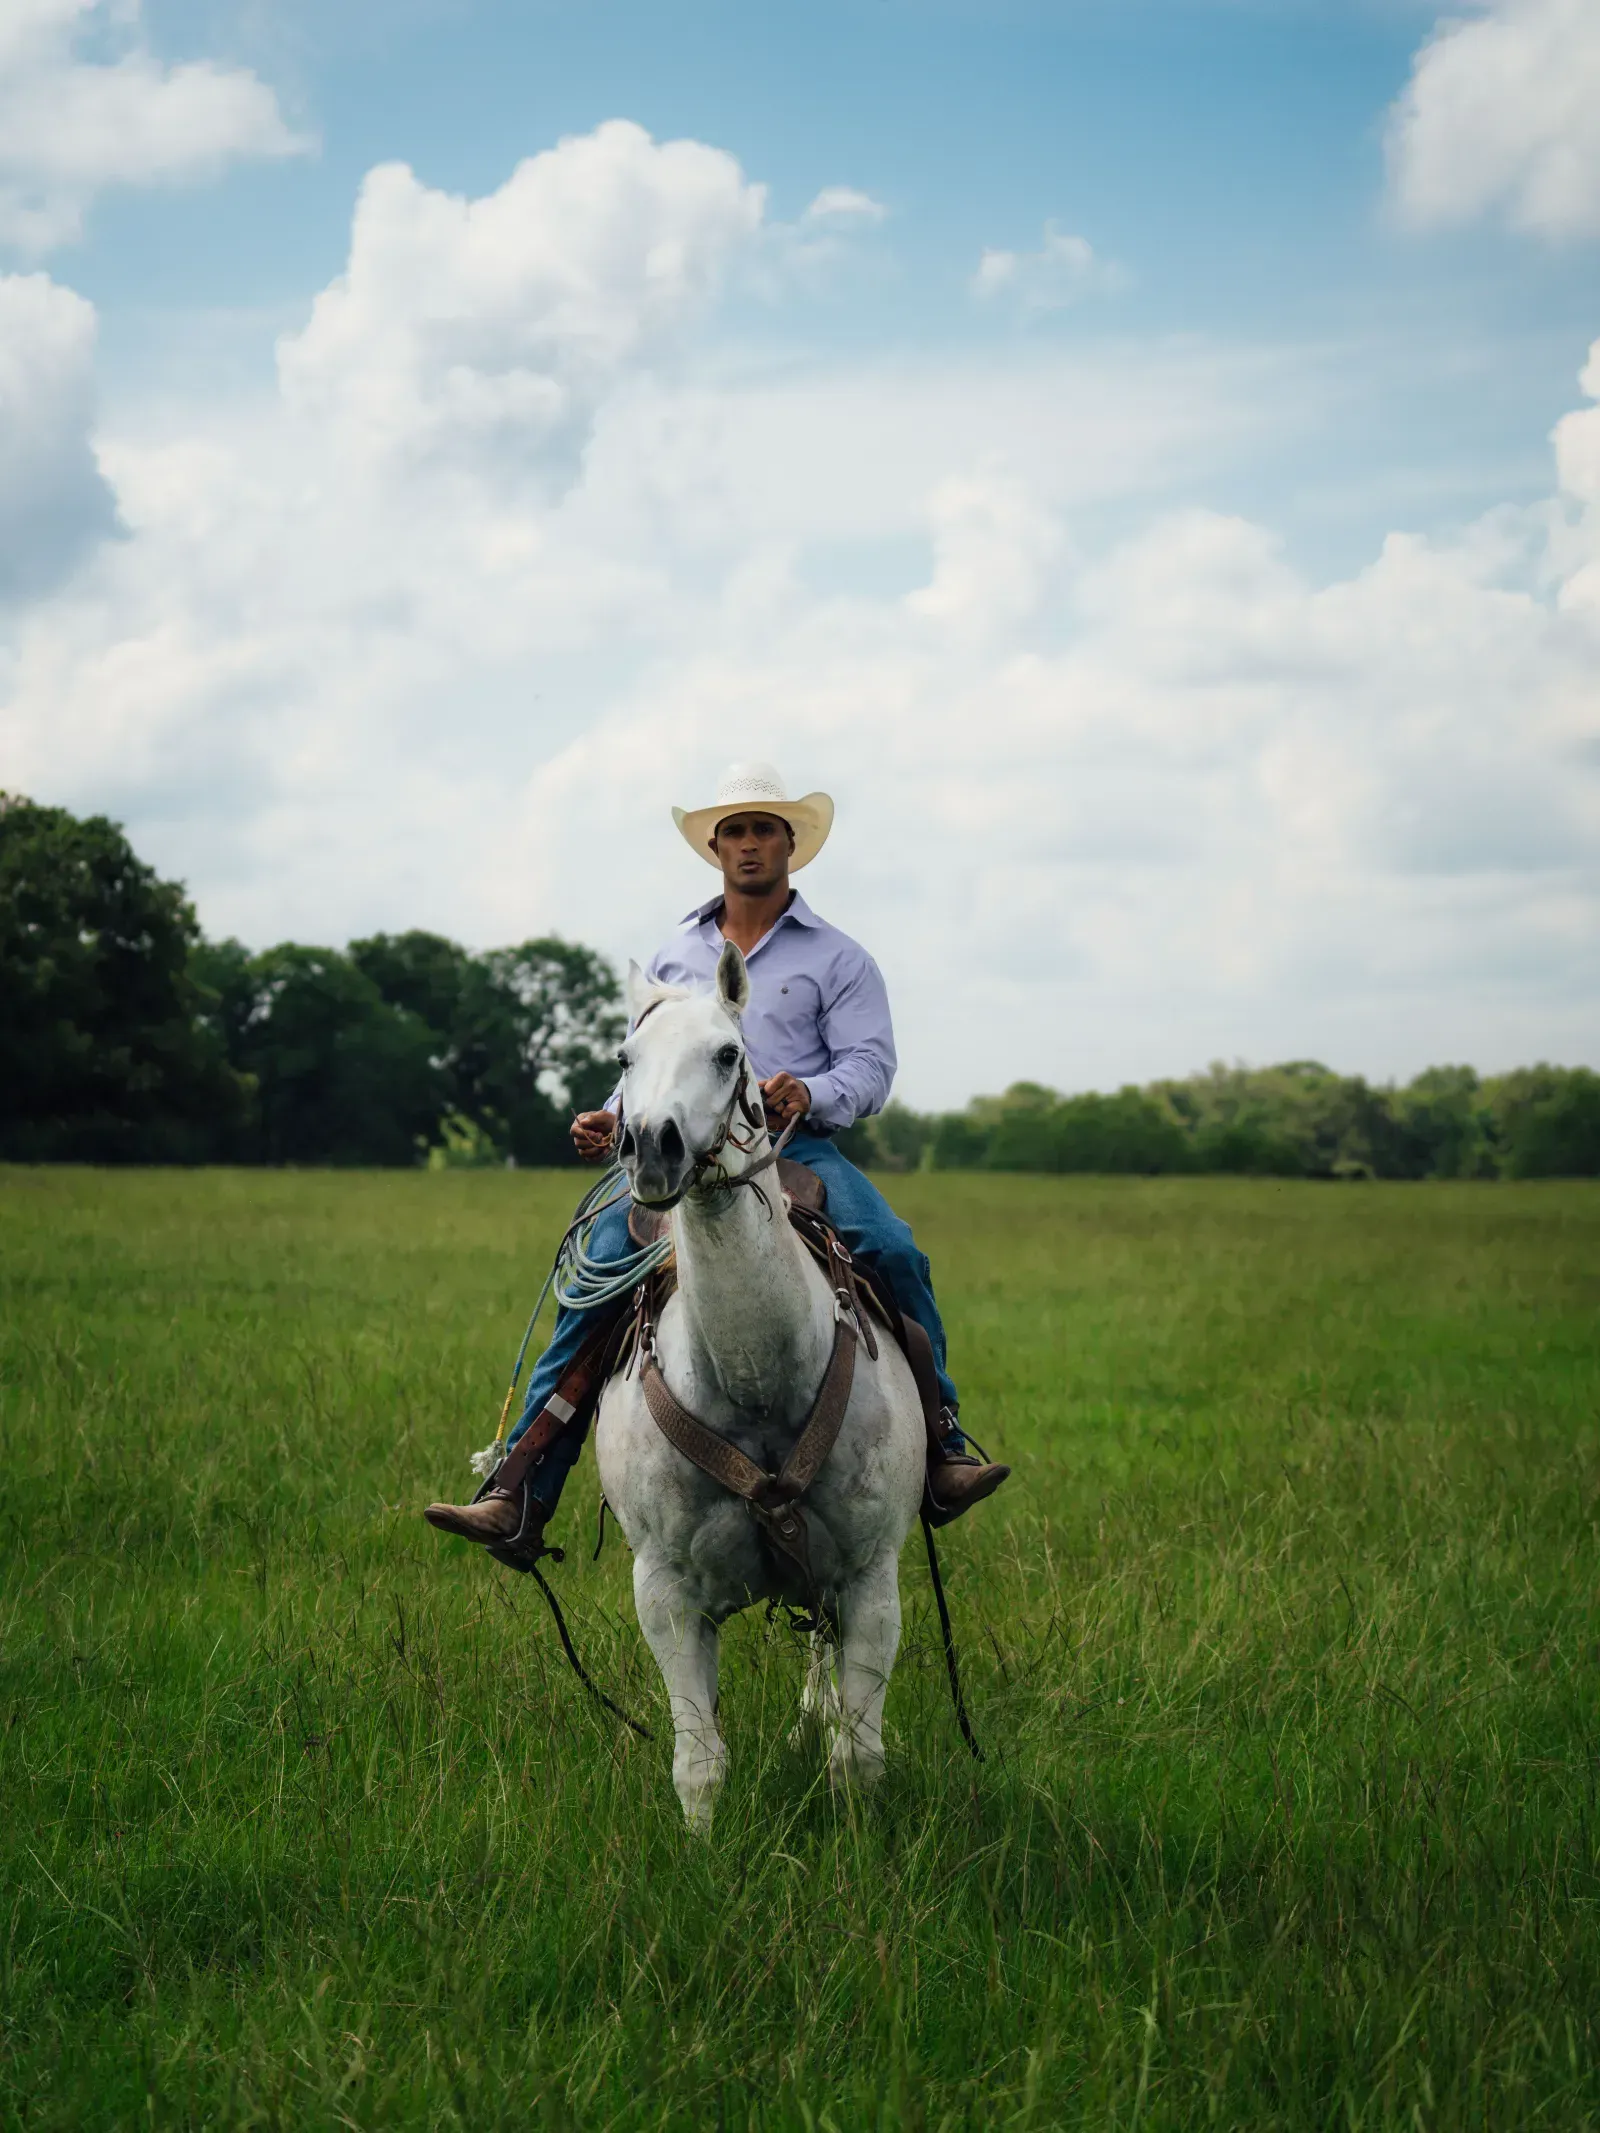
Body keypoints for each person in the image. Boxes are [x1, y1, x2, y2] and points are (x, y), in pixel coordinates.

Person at [426, 762, 1009, 1557]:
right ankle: (522, 1488)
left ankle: (942, 1448)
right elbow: (649, 1063)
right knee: (592, 1278)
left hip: (794, 1150)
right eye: (733, 831)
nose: (748, 844)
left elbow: (870, 1068)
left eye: (764, 828)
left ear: (790, 843)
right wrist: (614, 1114)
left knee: (895, 1251)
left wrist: (806, 1090)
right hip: (679, 1157)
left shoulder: (840, 959)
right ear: (714, 846)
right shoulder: (675, 951)